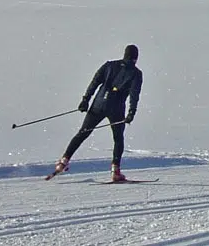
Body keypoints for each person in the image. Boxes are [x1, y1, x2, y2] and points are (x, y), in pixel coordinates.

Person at [50, 44, 144, 181]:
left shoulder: (109, 65)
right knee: (118, 139)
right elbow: (134, 94)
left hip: (98, 104)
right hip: (116, 109)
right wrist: (132, 112)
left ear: (124, 54)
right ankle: (115, 171)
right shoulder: (136, 73)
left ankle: (64, 161)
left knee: (83, 133)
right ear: (136, 58)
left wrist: (85, 100)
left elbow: (95, 82)